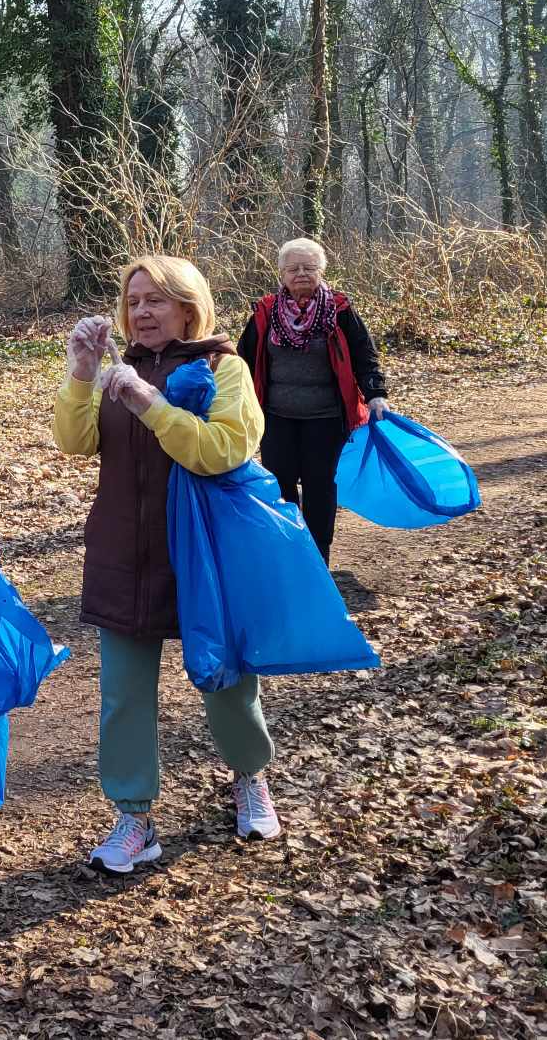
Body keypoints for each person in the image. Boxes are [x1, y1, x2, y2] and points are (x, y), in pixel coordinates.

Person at [53, 254, 280, 876]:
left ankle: (250, 777)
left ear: (188, 305)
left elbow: (223, 449)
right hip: (123, 551)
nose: (143, 311)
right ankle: (134, 817)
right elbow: (76, 442)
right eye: (134, 301)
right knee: (124, 695)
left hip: (203, 554)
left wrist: (152, 403)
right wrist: (82, 372)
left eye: (156, 299)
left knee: (225, 680)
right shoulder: (119, 369)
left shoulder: (223, 366)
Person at [234, 237, 391, 565]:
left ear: (322, 271)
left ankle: (319, 558)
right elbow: (241, 362)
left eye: (309, 267)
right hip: (276, 417)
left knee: (320, 487)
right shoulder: (265, 312)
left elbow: (365, 356)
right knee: (280, 485)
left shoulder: (340, 310)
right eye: (293, 268)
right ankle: (290, 555)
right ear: (282, 273)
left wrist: (376, 394)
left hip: (326, 417)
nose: (301, 274)